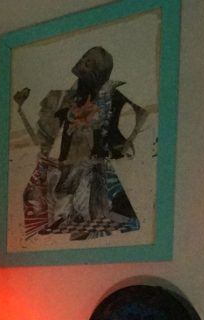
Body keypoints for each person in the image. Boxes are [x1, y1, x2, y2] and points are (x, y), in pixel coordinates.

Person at [14, 46, 148, 241]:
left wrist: (129, 138)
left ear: (98, 73)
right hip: (68, 162)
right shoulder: (62, 96)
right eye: (84, 57)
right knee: (52, 204)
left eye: (89, 63)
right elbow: (43, 137)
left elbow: (141, 114)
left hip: (87, 163)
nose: (82, 63)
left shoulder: (106, 95)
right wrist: (21, 111)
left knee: (90, 209)